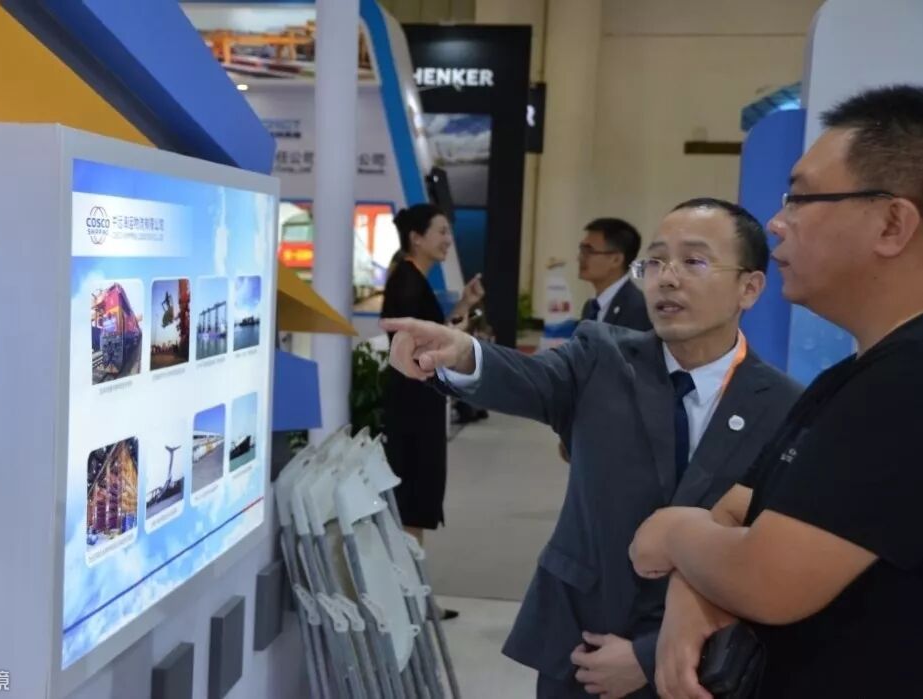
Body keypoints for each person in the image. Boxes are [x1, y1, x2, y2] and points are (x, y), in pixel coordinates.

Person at [383, 198, 800, 698]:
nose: (667, 279)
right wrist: (462, 353)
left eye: (694, 261)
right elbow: (528, 377)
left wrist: (647, 656)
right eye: (656, 262)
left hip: (699, 666)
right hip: (581, 650)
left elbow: (773, 564)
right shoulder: (602, 357)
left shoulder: (784, 407)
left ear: (749, 287)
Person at [630, 85, 923, 699]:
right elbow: (738, 511)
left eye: (803, 198)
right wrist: (693, 589)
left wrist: (673, 530)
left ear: (893, 224)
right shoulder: (853, 376)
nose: (776, 222)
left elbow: (766, 575)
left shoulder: (904, 384)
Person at [380, 203, 484, 547]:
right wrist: (455, 336)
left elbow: (432, 331)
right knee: (412, 498)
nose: (448, 239)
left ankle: (413, 578)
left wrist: (464, 305)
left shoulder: (412, 279)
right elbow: (416, 345)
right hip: (412, 405)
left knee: (416, 497)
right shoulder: (407, 282)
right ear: (416, 238)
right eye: (441, 231)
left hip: (418, 400)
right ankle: (410, 579)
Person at [579, 218, 652, 330]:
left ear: (616, 260)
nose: (580, 258)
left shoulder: (638, 309)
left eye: (589, 251)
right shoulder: (590, 308)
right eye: (582, 250)